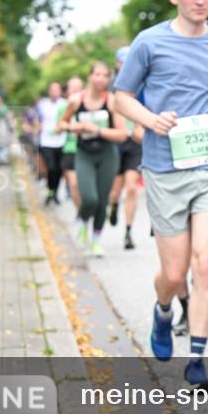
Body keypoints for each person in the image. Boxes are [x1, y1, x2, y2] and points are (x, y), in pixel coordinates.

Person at [114, 0, 208, 388]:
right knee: (174, 275)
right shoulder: (149, 42)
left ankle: (196, 357)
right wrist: (151, 119)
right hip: (164, 168)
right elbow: (121, 97)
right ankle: (163, 310)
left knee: (206, 262)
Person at [59, 62, 128, 257]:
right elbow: (62, 124)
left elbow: (122, 134)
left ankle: (96, 240)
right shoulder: (75, 100)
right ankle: (82, 219)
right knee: (89, 197)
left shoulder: (112, 101)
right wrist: (76, 128)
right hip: (84, 154)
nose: (100, 79)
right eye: (97, 74)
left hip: (107, 154)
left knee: (103, 200)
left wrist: (97, 129)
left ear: (109, 79)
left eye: (105, 76)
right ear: (90, 76)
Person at [108, 46, 144, 250]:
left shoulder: (142, 83)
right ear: (117, 63)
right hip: (117, 141)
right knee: (115, 190)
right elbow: (115, 112)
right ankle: (113, 204)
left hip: (135, 142)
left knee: (132, 187)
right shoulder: (112, 86)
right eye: (123, 61)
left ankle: (128, 232)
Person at [37, 82, 66, 205]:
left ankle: (55, 193)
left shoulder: (65, 104)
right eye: (52, 90)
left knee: (58, 170)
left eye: (57, 89)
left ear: (60, 91)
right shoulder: (42, 104)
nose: (54, 92)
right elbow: (36, 120)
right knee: (51, 168)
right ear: (49, 91)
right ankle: (50, 191)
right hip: (46, 142)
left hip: (61, 141)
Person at [59, 77, 85, 214]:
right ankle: (81, 214)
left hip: (87, 150)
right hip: (70, 148)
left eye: (78, 88)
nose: (75, 90)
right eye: (72, 88)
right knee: (74, 184)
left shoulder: (89, 104)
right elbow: (57, 128)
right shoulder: (63, 106)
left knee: (86, 187)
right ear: (67, 90)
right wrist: (70, 127)